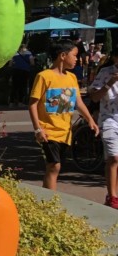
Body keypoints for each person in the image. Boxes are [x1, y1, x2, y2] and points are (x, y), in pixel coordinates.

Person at [30, 40, 98, 191]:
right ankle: (51, 203)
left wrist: (90, 120)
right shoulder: (44, 76)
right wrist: (37, 129)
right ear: (62, 55)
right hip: (48, 132)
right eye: (74, 55)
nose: (77, 59)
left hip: (65, 132)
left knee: (53, 167)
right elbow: (32, 104)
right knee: (54, 166)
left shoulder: (72, 78)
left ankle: (44, 198)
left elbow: (78, 102)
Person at [89, 59, 118, 207]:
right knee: (113, 157)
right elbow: (94, 97)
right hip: (109, 120)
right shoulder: (105, 72)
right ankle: (112, 197)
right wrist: (110, 82)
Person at [9, 42, 34, 106]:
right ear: (25, 47)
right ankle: (20, 102)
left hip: (16, 71)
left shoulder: (14, 53)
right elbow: (32, 63)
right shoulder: (29, 53)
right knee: (23, 87)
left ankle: (11, 102)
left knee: (14, 87)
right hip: (25, 72)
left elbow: (10, 64)